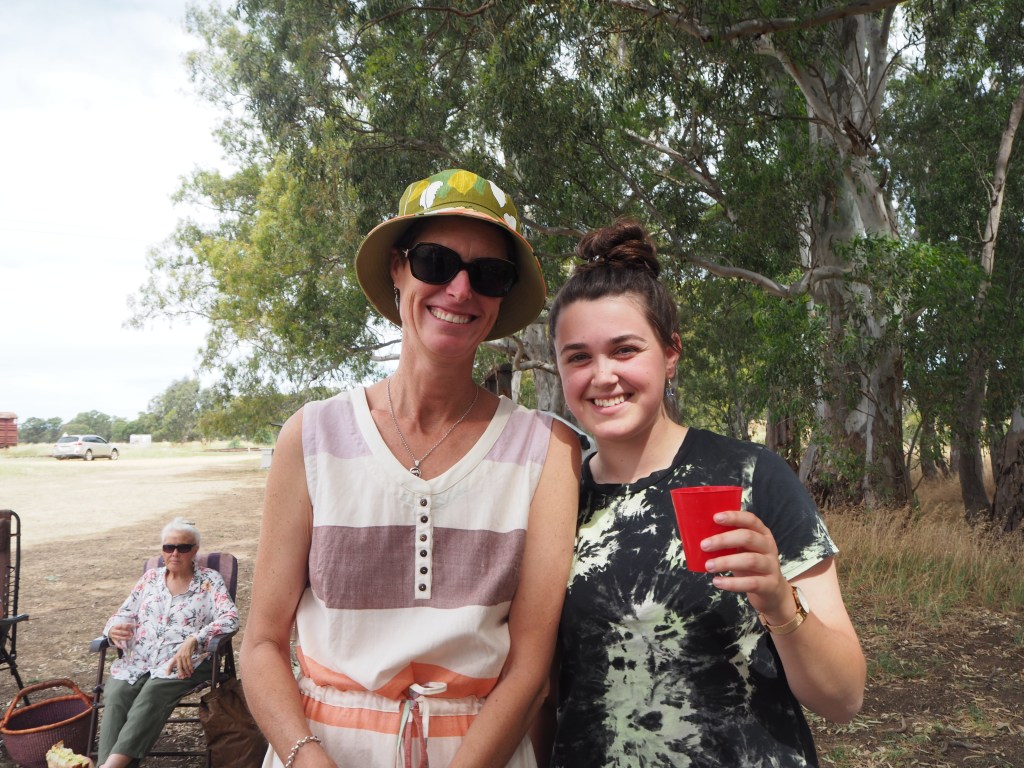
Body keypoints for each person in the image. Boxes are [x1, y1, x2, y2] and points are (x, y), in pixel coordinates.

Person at [241, 169, 581, 768]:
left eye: (489, 274)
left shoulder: (547, 450)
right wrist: (306, 758)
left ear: (502, 296)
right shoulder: (312, 436)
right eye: (435, 262)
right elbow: (263, 642)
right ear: (398, 269)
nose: (460, 289)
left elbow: (530, 668)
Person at [540, 219, 866, 767]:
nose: (602, 375)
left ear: (671, 354)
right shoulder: (553, 496)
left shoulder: (755, 477)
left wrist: (778, 600)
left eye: (625, 350)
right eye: (578, 357)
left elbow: (843, 697)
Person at [97, 516, 239, 768]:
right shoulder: (150, 579)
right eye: (168, 547)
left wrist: (195, 639)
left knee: (152, 693)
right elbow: (124, 613)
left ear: (194, 550)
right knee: (117, 693)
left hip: (186, 661)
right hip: (140, 659)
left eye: (183, 547)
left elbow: (230, 618)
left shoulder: (210, 580)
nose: (174, 553)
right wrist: (113, 630)